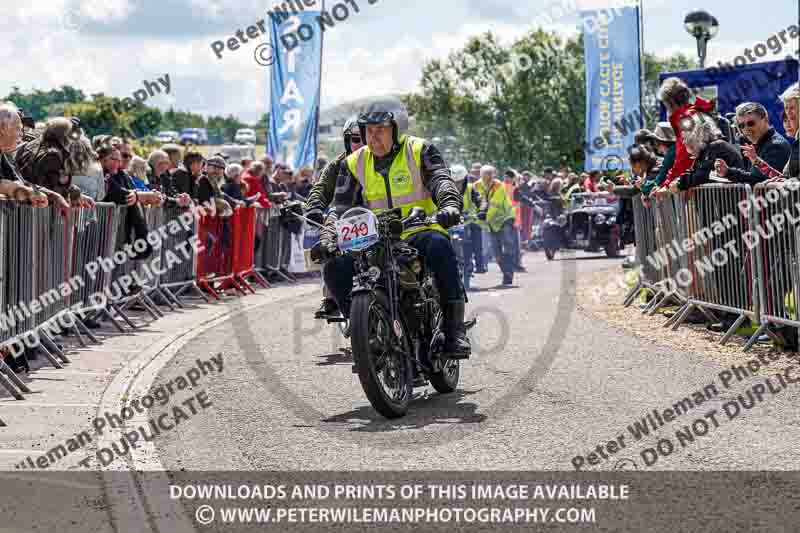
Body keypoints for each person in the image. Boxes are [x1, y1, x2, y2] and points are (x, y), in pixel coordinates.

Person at [313, 100, 470, 359]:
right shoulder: (353, 163)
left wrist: (450, 205)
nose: (373, 137)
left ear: (397, 129)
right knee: (333, 266)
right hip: (373, 238)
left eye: (380, 129)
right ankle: (364, 330)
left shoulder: (420, 150)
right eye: (368, 131)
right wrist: (329, 237)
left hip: (419, 228)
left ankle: (454, 331)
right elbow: (340, 208)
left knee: (440, 246)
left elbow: (441, 181)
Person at [305, 117, 364, 318]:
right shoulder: (337, 165)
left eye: (365, 138)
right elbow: (320, 188)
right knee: (327, 247)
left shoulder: (382, 161)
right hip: (344, 215)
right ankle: (330, 297)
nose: (361, 143)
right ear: (347, 141)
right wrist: (314, 207)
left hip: (377, 216)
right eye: (356, 139)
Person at [656, 77, 716, 192]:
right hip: (704, 180)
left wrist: (666, 185)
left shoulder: (685, 118)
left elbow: (684, 157)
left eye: (665, 104)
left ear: (670, 102)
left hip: (698, 185)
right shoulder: (695, 112)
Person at [715, 102, 792, 185]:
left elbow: (758, 180)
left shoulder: (776, 145)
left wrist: (728, 172)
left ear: (765, 120)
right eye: (741, 126)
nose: (746, 129)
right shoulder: (755, 145)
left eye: (751, 123)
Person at [0, 102, 49, 206]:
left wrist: (56, 196)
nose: (22, 135)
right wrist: (25, 191)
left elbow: (17, 181)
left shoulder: (2, 154)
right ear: (3, 128)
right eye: (18, 128)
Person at [671, 120, 743, 192]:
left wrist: (680, 183)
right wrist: (678, 180)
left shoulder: (717, 146)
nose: (684, 142)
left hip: (730, 197)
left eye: (686, 138)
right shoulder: (704, 151)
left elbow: (703, 175)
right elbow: (695, 172)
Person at [476, 165, 516, 286]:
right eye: (485, 175)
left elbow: (495, 206)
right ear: (481, 175)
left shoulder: (500, 186)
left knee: (507, 243)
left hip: (505, 218)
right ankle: (506, 272)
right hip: (491, 222)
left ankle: (510, 268)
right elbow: (477, 202)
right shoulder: (476, 186)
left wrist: (482, 219)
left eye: (491, 175)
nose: (488, 178)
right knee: (496, 253)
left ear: (494, 175)